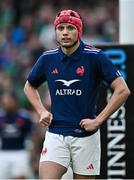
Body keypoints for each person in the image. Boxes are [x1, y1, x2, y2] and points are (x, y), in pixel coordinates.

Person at [24, 10, 130, 179]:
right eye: (60, 28)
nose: (65, 32)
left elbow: (122, 90)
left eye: (70, 28)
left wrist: (98, 120)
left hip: (85, 136)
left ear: (79, 31)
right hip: (56, 133)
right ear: (56, 32)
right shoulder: (47, 58)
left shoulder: (96, 57)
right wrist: (41, 110)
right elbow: (29, 86)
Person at [0, 91, 34, 179]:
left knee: (20, 177)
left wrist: (33, 151)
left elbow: (32, 135)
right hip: (3, 153)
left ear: (14, 101)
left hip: (20, 152)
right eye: (3, 101)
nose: (5, 103)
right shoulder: (1, 117)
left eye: (8, 100)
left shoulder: (24, 117)